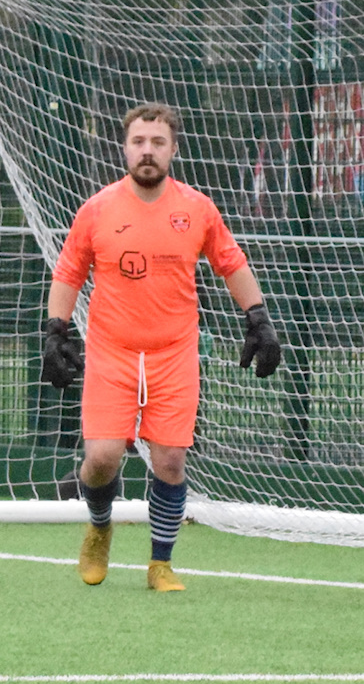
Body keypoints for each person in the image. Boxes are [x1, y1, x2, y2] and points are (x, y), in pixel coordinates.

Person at [43, 102, 281, 591]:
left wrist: (258, 319)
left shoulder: (196, 209)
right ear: (124, 148)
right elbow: (68, 271)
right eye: (138, 142)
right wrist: (55, 330)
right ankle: (99, 526)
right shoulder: (97, 209)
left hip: (174, 353)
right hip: (112, 352)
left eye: (157, 142)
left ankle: (160, 564)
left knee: (171, 459)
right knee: (102, 458)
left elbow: (231, 262)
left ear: (173, 149)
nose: (147, 151)